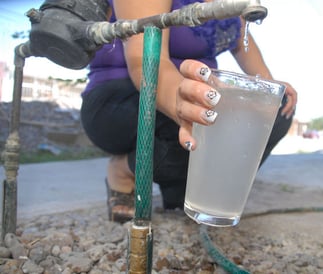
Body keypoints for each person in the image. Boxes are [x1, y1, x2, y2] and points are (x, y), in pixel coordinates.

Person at [80, 0, 298, 223]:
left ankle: (187, 187)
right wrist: (187, 105)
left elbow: (245, 49)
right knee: (207, 121)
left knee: (274, 113)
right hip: (122, 98)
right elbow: (145, 59)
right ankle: (125, 170)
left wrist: (269, 93)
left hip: (187, 91)